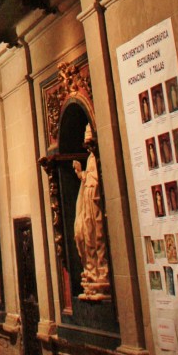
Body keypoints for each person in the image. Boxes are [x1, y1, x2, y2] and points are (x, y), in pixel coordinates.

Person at [73, 129, 110, 300]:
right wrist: (80, 173)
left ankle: (101, 270)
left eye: (90, 144)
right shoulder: (90, 158)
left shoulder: (97, 157)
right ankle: (91, 270)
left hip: (95, 200)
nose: (88, 148)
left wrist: (85, 176)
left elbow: (95, 177)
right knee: (86, 235)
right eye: (86, 145)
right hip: (88, 200)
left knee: (99, 234)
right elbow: (88, 177)